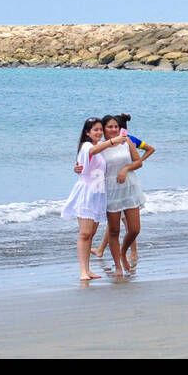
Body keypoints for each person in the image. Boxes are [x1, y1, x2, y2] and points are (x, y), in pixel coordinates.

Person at [61, 117, 127, 281]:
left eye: (100, 129)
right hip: (87, 193)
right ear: (87, 132)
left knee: (91, 234)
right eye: (95, 130)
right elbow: (91, 153)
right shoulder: (87, 146)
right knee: (84, 233)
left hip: (99, 194)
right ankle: (83, 271)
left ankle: (88, 269)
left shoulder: (98, 147)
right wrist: (114, 141)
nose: (98, 132)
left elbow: (87, 164)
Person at [98, 114, 145, 276]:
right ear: (103, 129)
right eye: (109, 127)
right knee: (114, 231)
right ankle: (118, 265)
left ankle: (123, 251)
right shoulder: (100, 147)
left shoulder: (126, 141)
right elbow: (89, 167)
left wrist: (125, 169)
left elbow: (138, 162)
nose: (113, 129)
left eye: (116, 127)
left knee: (135, 229)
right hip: (110, 191)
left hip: (129, 188)